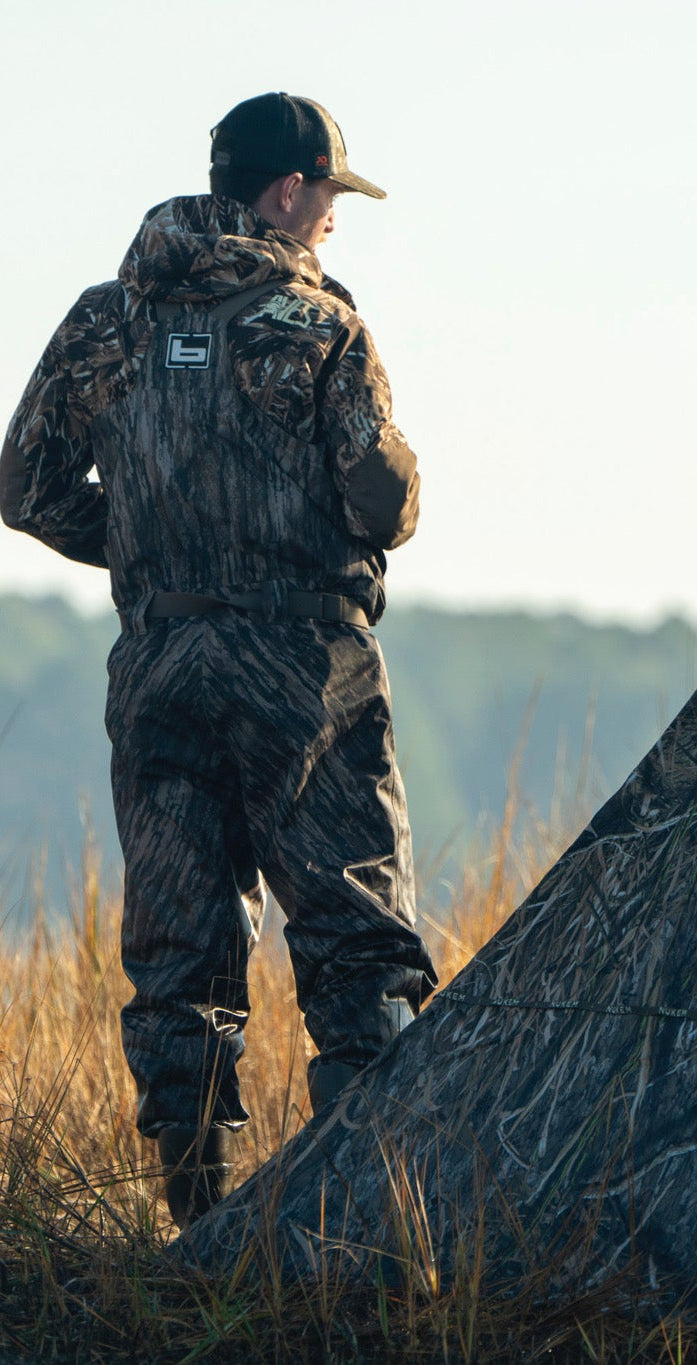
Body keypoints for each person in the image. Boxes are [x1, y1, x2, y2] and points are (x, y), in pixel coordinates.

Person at [0, 92, 438, 1228]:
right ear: (287, 191)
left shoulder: (107, 319)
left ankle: (198, 1226)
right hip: (305, 669)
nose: (334, 220)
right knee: (357, 943)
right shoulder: (320, 325)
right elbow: (381, 500)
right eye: (331, 196)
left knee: (180, 957)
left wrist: (146, 553)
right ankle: (364, 1230)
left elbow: (24, 485)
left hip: (159, 667)